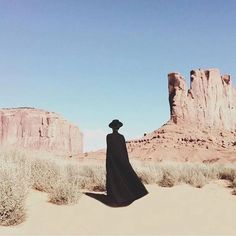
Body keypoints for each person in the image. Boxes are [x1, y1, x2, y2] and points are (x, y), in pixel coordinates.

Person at [106, 119, 148, 205]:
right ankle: (126, 194)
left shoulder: (108, 136)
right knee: (123, 175)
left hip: (112, 160)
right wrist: (125, 161)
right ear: (118, 127)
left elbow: (109, 150)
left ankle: (114, 196)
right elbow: (124, 151)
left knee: (113, 177)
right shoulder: (121, 137)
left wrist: (109, 161)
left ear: (112, 128)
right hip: (121, 159)